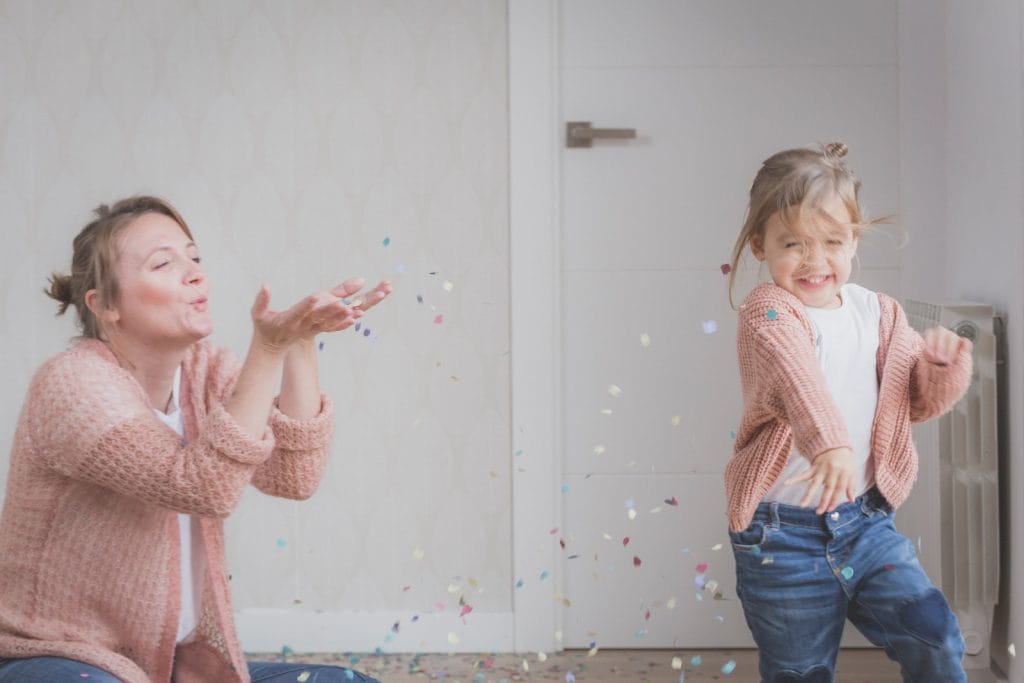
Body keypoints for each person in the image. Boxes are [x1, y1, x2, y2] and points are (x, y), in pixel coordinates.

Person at [0, 196, 389, 683]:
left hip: (165, 661)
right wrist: (267, 349)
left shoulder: (204, 372)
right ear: (106, 305)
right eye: (163, 263)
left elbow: (294, 475)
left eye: (195, 258)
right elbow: (203, 487)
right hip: (56, 659)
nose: (195, 274)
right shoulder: (72, 384)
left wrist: (299, 344)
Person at [724, 143, 973, 682]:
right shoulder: (768, 312)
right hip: (780, 535)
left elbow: (916, 403)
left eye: (833, 241)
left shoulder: (879, 313)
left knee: (933, 634)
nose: (815, 261)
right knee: (800, 671)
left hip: (865, 521)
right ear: (759, 245)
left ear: (854, 239)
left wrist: (941, 366)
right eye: (793, 243)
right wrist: (830, 444)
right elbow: (798, 380)